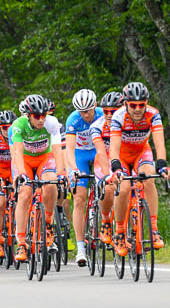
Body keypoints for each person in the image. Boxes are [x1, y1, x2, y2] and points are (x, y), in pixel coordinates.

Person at [110, 82, 170, 256]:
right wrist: (116, 167)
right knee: (122, 189)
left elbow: (159, 143)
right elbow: (114, 147)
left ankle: (153, 229)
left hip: (141, 152)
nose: (137, 109)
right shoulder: (118, 116)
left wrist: (162, 164)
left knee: (149, 178)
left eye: (141, 105)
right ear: (125, 104)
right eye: (133, 105)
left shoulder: (153, 114)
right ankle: (120, 231)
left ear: (146, 103)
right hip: (121, 155)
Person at [10, 94, 65, 262]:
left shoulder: (51, 123)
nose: (41, 119)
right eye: (37, 116)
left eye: (44, 115)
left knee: (51, 183)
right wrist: (21, 174)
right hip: (24, 160)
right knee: (25, 194)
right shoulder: (18, 125)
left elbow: (57, 149)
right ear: (28, 115)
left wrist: (61, 173)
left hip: (44, 158)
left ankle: (48, 223)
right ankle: (21, 242)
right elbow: (17, 152)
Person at [65, 89, 104, 267]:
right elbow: (70, 150)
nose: (85, 115)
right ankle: (81, 249)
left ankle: (106, 225)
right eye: (82, 111)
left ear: (95, 106)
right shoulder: (73, 119)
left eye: (88, 110)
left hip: (98, 152)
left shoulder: (103, 115)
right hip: (80, 155)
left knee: (107, 188)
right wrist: (73, 169)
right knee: (79, 199)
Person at [90, 91, 122, 244]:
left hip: (123, 158)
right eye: (106, 111)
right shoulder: (97, 126)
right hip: (105, 160)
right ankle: (106, 220)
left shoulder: (128, 122)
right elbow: (101, 152)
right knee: (109, 188)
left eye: (113, 111)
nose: (109, 115)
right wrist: (107, 174)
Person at [0, 110, 17, 258]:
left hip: (13, 170)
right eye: (4, 128)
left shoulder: (18, 137)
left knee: (20, 199)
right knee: (0, 203)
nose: (7, 131)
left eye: (10, 127)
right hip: (0, 171)